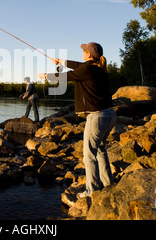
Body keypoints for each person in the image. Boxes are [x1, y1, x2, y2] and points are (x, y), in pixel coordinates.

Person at [38, 42, 116, 200]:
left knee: (89, 156)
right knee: (100, 150)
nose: (82, 52)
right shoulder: (98, 67)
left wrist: (46, 76)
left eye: (83, 51)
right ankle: (108, 185)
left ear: (88, 54)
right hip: (109, 115)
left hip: (97, 117)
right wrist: (61, 61)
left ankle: (92, 191)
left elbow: (67, 76)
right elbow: (78, 66)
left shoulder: (87, 70)